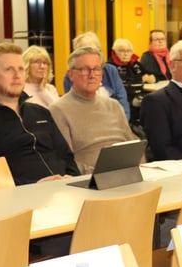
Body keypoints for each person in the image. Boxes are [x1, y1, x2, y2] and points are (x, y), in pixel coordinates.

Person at [0, 42, 78, 185]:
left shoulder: (40, 113)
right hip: (19, 199)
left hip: (64, 190)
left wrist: (74, 179)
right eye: (9, 70)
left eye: (21, 69)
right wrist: (33, 186)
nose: (17, 76)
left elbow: (66, 156)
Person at [50, 46, 138, 174]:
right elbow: (65, 162)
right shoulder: (58, 110)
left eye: (96, 69)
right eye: (85, 70)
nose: (92, 75)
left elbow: (132, 147)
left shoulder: (114, 106)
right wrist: (101, 174)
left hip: (125, 175)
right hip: (89, 182)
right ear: (71, 75)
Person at [61, 32, 130, 119]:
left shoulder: (111, 70)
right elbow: (75, 108)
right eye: (85, 51)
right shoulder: (70, 76)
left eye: (94, 51)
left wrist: (122, 122)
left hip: (116, 122)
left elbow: (122, 100)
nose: (90, 56)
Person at [110, 38, 146, 119]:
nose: (126, 54)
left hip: (140, 95)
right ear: (114, 52)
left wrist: (152, 77)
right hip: (123, 99)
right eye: (122, 51)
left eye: (128, 51)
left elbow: (148, 74)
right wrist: (141, 79)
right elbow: (122, 81)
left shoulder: (135, 64)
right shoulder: (110, 66)